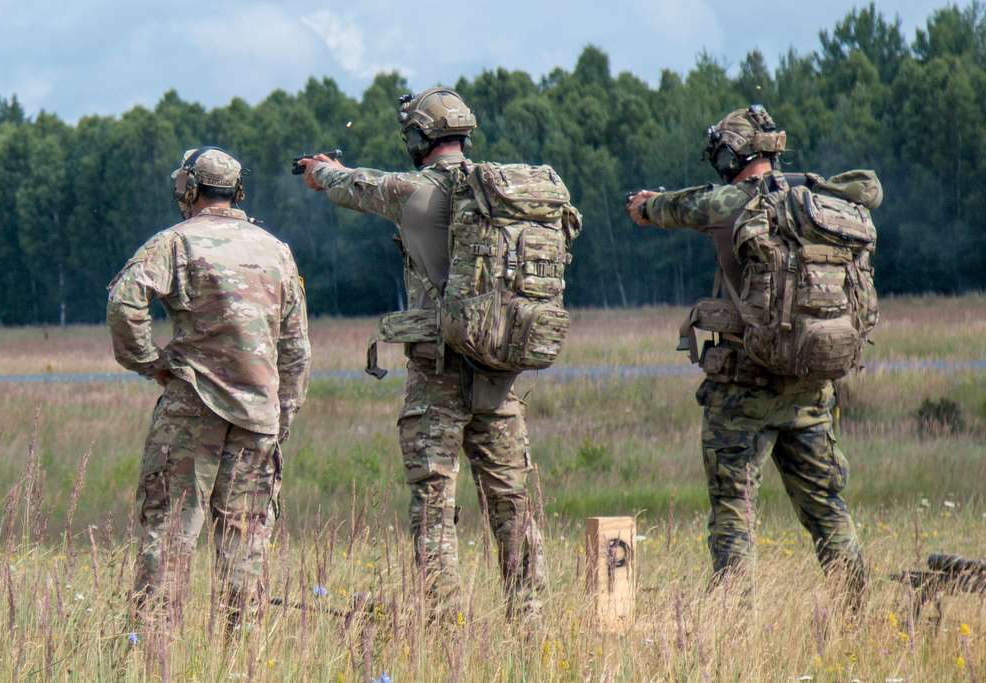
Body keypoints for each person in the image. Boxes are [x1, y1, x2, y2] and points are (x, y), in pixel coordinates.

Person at [296, 88, 575, 620]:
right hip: (499, 371)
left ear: (419, 138)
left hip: (437, 371)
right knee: (511, 501)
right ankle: (530, 616)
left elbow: (351, 185)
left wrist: (323, 170)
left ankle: (444, 621)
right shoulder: (504, 195)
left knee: (434, 499)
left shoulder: (412, 192)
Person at [627, 106, 880, 611]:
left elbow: (673, 207)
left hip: (743, 389)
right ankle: (859, 614)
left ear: (729, 156)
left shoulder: (729, 202)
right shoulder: (818, 204)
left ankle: (734, 621)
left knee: (733, 508)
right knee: (828, 509)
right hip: (810, 390)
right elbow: (870, 189)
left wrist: (645, 205)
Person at [107, 146, 311, 631]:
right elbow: (296, 347)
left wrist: (151, 364)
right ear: (236, 191)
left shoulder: (176, 243)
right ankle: (244, 654)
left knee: (170, 534)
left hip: (191, 406)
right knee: (246, 545)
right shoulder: (275, 249)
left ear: (189, 189)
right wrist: (282, 414)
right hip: (259, 416)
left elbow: (124, 302)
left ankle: (153, 649)